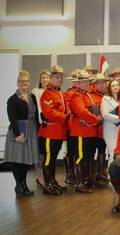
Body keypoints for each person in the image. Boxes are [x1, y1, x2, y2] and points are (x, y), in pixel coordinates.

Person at [5, 70, 39, 197]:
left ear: (29, 83)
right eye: (21, 81)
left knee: (25, 160)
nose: (23, 83)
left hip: (30, 131)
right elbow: (12, 118)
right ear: (17, 82)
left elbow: (36, 116)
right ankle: (19, 185)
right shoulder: (12, 99)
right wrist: (18, 134)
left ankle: (24, 184)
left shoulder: (32, 97)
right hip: (18, 132)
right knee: (17, 160)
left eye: (26, 81)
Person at [69, 70, 103, 193]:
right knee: (80, 157)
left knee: (88, 156)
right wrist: (96, 120)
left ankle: (87, 180)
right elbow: (82, 112)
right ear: (77, 83)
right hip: (80, 131)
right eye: (83, 81)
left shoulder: (87, 95)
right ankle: (79, 183)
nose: (85, 83)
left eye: (87, 81)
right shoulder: (76, 95)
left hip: (90, 131)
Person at [38, 65, 68, 195]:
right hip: (50, 132)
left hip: (59, 132)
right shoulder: (47, 94)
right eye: (56, 77)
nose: (59, 79)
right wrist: (65, 117)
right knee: (49, 159)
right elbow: (49, 112)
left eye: (61, 77)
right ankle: (48, 184)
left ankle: (53, 181)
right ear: (50, 78)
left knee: (53, 158)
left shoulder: (60, 93)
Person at [89, 73, 109, 184]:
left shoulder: (108, 96)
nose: (101, 85)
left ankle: (101, 172)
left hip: (105, 129)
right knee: (91, 152)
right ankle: (92, 173)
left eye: (103, 82)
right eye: (98, 83)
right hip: (93, 129)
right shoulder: (90, 96)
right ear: (95, 84)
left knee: (102, 150)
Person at [101, 79, 120, 164]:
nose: (115, 87)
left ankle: (116, 175)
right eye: (113, 86)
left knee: (118, 154)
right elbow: (105, 115)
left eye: (117, 85)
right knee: (113, 154)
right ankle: (111, 176)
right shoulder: (106, 99)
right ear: (109, 88)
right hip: (110, 131)